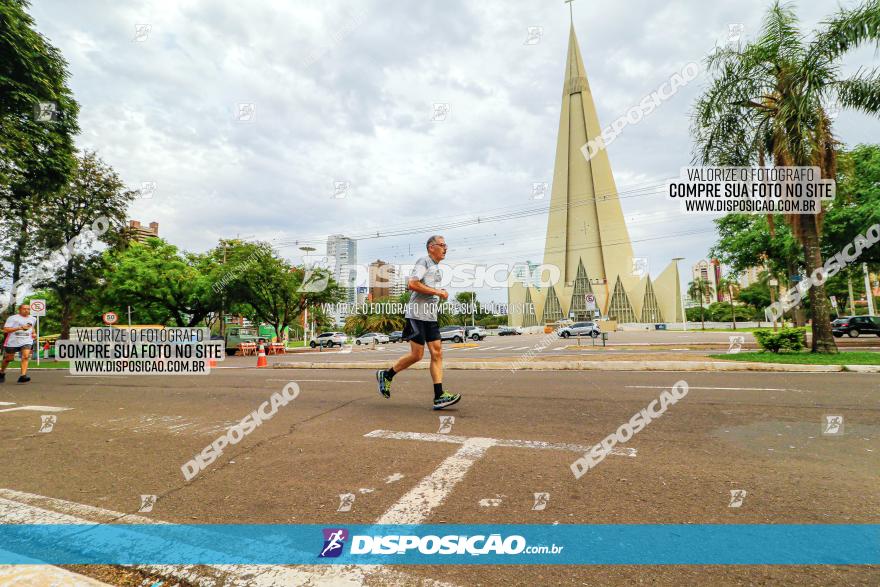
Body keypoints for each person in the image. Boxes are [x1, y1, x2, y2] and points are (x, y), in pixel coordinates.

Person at [376, 235, 460, 410]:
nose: (446, 248)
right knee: (417, 355)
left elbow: (426, 288)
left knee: (437, 353)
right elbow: (412, 284)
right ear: (431, 247)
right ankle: (387, 375)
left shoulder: (436, 268)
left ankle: (439, 396)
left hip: (430, 317)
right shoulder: (424, 261)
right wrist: (438, 292)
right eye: (442, 245)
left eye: (446, 245)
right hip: (416, 315)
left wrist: (438, 292)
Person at [1, 303, 37, 384]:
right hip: (13, 341)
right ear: (19, 310)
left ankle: (23, 376)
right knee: (9, 359)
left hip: (26, 340)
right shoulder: (12, 318)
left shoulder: (33, 319)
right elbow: (6, 330)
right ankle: (1, 372)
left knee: (25, 356)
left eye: (28, 309)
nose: (26, 310)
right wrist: (20, 328)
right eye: (24, 309)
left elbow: (32, 328)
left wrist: (34, 333)